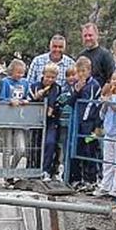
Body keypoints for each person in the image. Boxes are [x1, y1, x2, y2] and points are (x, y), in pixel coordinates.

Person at [27, 35, 75, 169]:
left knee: (53, 143)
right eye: (55, 46)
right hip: (37, 112)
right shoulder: (38, 61)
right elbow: (29, 84)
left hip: (57, 114)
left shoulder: (70, 63)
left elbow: (69, 87)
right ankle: (32, 168)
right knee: (35, 143)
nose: (57, 50)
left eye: (60, 47)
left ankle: (50, 169)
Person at [68, 56, 103, 191]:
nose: (81, 74)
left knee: (91, 151)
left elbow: (91, 104)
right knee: (77, 149)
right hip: (78, 125)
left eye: (84, 71)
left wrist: (88, 121)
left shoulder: (94, 85)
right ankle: (77, 178)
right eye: (79, 71)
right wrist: (77, 90)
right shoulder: (76, 85)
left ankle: (92, 180)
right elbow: (70, 102)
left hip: (92, 125)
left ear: (89, 71)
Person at [96, 71, 116, 198]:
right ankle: (106, 185)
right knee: (107, 161)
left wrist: (111, 103)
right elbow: (102, 115)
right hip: (108, 131)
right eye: (113, 79)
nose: (114, 82)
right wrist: (104, 104)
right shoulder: (108, 94)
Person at [0, 58, 32, 176]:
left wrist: (26, 101)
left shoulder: (25, 82)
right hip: (7, 118)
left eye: (22, 72)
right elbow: (1, 99)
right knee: (7, 149)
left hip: (20, 119)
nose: (20, 75)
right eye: (17, 72)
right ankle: (6, 175)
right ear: (11, 71)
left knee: (21, 149)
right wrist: (9, 101)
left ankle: (12, 170)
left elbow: (28, 96)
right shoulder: (5, 82)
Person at [31, 63, 63, 179]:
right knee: (35, 144)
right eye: (47, 77)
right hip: (36, 120)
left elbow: (58, 103)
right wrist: (37, 97)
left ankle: (46, 169)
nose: (49, 80)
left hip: (51, 121)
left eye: (53, 77)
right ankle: (33, 168)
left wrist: (52, 107)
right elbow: (30, 100)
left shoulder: (58, 88)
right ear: (43, 75)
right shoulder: (35, 86)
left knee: (50, 143)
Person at [77, 22, 116, 89]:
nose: (88, 38)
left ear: (97, 36)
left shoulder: (105, 54)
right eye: (85, 36)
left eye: (90, 35)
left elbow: (111, 77)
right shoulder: (81, 56)